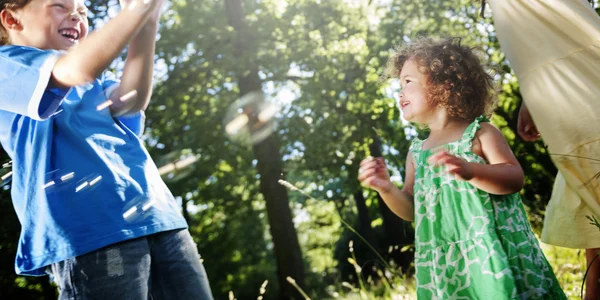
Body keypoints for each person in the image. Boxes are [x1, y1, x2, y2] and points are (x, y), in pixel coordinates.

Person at [0, 0, 213, 298]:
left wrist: (147, 23)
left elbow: (131, 98)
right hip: (91, 232)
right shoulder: (5, 66)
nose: (76, 15)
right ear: (11, 18)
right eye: (60, 5)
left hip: (157, 217)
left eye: (83, 11)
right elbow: (75, 70)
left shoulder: (93, 83)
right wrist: (135, 9)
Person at [358, 37, 566, 299]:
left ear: (445, 84)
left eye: (408, 82)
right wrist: (387, 188)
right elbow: (412, 210)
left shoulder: (480, 133)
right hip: (449, 264)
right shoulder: (417, 153)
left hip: (494, 249)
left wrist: (472, 171)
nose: (400, 92)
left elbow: (514, 178)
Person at [483, 1, 600, 298]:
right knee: (590, 205)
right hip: (571, 102)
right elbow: (538, 46)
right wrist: (531, 98)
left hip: (589, 82)